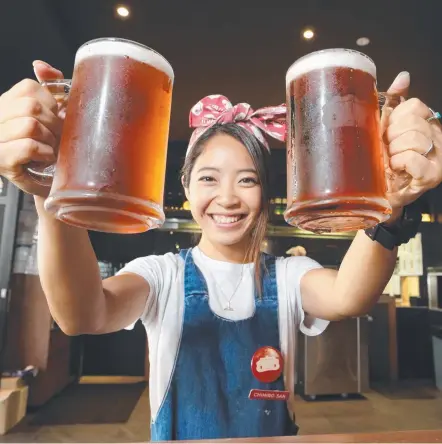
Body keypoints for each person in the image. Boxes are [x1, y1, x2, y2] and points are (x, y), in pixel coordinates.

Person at [0, 61, 441, 442]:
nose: (228, 198)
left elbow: (349, 296)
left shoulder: (289, 275)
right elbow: (81, 315)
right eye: (209, 178)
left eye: (247, 180)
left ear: (265, 194)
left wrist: (391, 207)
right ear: (186, 189)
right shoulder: (162, 275)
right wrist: (48, 196)